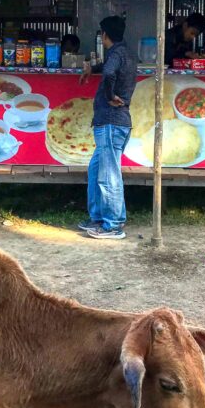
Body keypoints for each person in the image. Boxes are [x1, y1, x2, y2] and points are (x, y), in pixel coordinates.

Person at [77, 16, 136, 240]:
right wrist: (92, 68)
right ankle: (98, 218)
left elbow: (110, 72)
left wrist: (110, 96)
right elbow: (109, 68)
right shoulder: (125, 53)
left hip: (111, 121)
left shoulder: (115, 54)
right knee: (96, 170)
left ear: (104, 36)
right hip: (115, 122)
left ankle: (113, 224)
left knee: (108, 174)